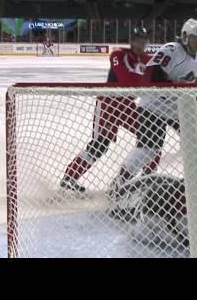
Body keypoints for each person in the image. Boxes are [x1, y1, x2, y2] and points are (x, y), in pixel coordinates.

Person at [109, 18, 197, 198]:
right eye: (195, 38)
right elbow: (150, 77)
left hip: (176, 107)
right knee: (148, 150)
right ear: (186, 36)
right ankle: (119, 184)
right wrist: (177, 88)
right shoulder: (172, 50)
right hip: (153, 106)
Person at [60, 27, 156, 193]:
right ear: (131, 41)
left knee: (152, 139)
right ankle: (69, 179)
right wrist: (146, 76)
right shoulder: (118, 55)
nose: (141, 44)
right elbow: (125, 79)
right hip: (108, 103)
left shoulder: (148, 59)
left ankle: (147, 182)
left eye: (144, 40)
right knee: (100, 145)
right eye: (138, 40)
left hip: (127, 104)